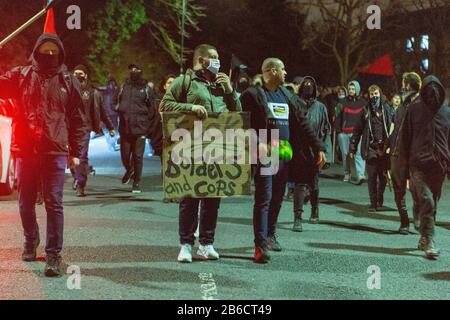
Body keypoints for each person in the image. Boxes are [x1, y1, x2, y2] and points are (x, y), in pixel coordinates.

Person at [0, 23, 87, 276]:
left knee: (54, 203)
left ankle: (53, 254)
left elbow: (79, 119)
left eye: (53, 51)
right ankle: (30, 239)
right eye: (44, 50)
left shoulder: (69, 81)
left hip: (55, 150)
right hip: (26, 149)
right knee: (25, 202)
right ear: (36, 51)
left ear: (60, 53)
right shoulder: (21, 75)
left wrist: (76, 153)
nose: (49, 55)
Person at [160, 44, 242, 263]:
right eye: (212, 58)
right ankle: (186, 244)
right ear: (200, 60)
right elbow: (165, 105)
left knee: (213, 197)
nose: (217, 61)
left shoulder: (222, 84)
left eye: (218, 57)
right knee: (190, 196)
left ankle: (206, 243)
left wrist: (230, 91)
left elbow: (238, 113)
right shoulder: (185, 81)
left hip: (217, 146)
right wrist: (190, 108)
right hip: (191, 144)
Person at [241, 58, 326, 264]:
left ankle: (270, 235)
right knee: (264, 197)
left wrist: (319, 147)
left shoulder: (286, 94)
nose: (286, 73)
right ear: (271, 71)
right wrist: (255, 143)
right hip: (265, 151)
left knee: (278, 196)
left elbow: (303, 122)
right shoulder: (252, 94)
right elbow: (241, 123)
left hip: (285, 151)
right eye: (282, 69)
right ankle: (259, 245)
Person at [400, 75, 449, 260]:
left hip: (439, 166)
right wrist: (403, 169)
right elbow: (405, 139)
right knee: (427, 200)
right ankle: (429, 240)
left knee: (432, 203)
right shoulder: (413, 110)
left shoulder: (446, 113)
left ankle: (423, 237)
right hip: (418, 164)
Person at [291, 77, 330, 232]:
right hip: (300, 150)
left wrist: (324, 150)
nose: (307, 87)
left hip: (315, 150)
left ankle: (315, 210)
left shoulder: (320, 107)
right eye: (305, 85)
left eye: (310, 85)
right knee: (299, 184)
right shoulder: (295, 104)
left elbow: (327, 130)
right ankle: (297, 218)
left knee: (313, 184)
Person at [72, 65, 115, 197]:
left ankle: (80, 184)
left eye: (80, 73)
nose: (77, 76)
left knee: (82, 157)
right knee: (71, 158)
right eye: (75, 73)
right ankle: (77, 176)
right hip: (69, 129)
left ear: (86, 75)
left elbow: (101, 111)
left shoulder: (93, 92)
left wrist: (110, 127)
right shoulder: (68, 90)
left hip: (84, 128)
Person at [350, 85, 393, 213]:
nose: (374, 96)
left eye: (376, 93)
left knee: (383, 176)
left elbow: (393, 126)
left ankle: (380, 196)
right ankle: (373, 203)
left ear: (380, 93)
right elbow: (357, 131)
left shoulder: (387, 109)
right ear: (369, 96)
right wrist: (352, 148)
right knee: (372, 177)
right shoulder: (365, 110)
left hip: (384, 148)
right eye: (372, 94)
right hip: (371, 148)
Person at [388, 72, 422, 234]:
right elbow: (396, 129)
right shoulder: (401, 105)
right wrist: (389, 145)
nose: (402, 86)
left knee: (416, 188)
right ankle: (404, 221)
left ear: (409, 85)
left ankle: (417, 212)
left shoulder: (422, 106)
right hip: (397, 153)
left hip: (414, 155)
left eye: (404, 83)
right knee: (398, 188)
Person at [117, 63, 157, 193]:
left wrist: (147, 127)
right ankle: (129, 170)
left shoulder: (146, 88)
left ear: (141, 71)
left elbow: (152, 109)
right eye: (132, 69)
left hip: (140, 129)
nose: (133, 71)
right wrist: (118, 109)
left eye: (136, 69)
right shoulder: (124, 87)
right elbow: (114, 101)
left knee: (138, 156)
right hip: (125, 128)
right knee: (124, 156)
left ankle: (136, 182)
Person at [335, 81, 367, 184]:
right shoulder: (342, 102)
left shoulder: (363, 103)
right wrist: (339, 131)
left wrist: (364, 132)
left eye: (353, 89)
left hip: (358, 134)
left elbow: (365, 119)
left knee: (359, 154)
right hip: (344, 133)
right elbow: (337, 118)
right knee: (346, 154)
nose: (351, 91)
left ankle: (360, 175)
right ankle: (347, 173)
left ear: (357, 90)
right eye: (350, 89)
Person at [101, 76, 120, 151]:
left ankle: (111, 145)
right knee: (113, 129)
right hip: (113, 113)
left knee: (106, 129)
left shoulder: (104, 92)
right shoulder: (116, 91)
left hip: (106, 113)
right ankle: (112, 144)